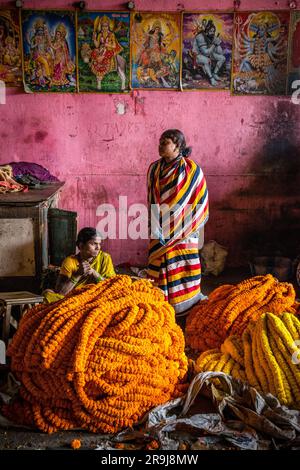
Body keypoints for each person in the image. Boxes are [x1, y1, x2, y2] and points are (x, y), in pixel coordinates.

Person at [147, 129, 209, 315]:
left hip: (184, 229)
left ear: (178, 146)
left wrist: (179, 226)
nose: (160, 145)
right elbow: (152, 199)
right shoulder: (154, 168)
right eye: (159, 141)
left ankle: (186, 306)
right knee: (160, 266)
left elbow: (197, 199)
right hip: (159, 227)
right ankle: (162, 306)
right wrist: (156, 225)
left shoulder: (191, 170)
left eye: (165, 142)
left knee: (183, 266)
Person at [44, 227, 115, 303]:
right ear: (81, 245)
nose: (98, 247)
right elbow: (61, 292)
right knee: (48, 294)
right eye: (94, 244)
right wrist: (78, 274)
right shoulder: (70, 261)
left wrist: (95, 274)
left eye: (99, 244)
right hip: (75, 297)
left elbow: (112, 286)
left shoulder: (105, 258)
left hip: (96, 296)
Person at [90, 15, 123, 90]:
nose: (104, 28)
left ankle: (100, 77)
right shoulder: (100, 34)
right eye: (103, 26)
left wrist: (107, 44)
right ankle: (98, 79)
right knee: (94, 52)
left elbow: (114, 45)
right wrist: (94, 39)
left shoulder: (111, 34)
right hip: (100, 50)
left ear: (108, 26)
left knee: (103, 58)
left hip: (108, 50)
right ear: (101, 27)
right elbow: (97, 45)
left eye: (106, 26)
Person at [192, 19, 226, 86]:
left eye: (213, 31)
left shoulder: (211, 36)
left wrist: (218, 44)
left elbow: (220, 52)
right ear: (206, 31)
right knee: (206, 60)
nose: (212, 33)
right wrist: (214, 44)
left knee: (222, 58)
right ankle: (211, 78)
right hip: (198, 55)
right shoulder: (200, 37)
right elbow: (205, 52)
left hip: (208, 54)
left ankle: (215, 73)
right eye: (211, 31)